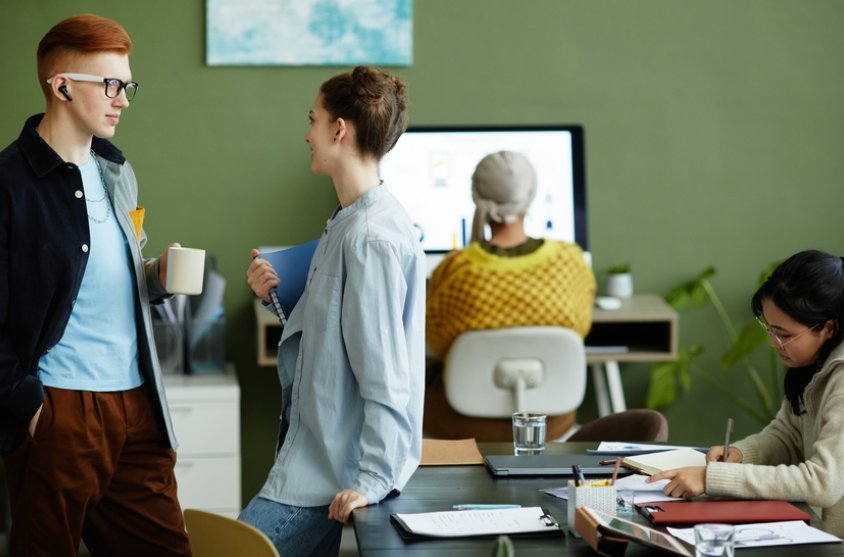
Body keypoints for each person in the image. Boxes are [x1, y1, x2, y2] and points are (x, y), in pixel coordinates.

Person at [0, 14, 191, 556]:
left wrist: (157, 279)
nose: (123, 99)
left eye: (127, 85)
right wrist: (33, 407)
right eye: (110, 84)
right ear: (60, 86)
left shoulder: (117, 173)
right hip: (60, 410)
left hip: (137, 404)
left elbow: (104, 286)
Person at [649, 250, 844, 557]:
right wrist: (742, 454)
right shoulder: (821, 361)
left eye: (783, 334)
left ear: (828, 327)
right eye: (770, 328)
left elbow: (822, 482)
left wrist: (710, 478)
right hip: (839, 539)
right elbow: (788, 434)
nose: (773, 342)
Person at [242, 66, 425, 556]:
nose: (307, 133)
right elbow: (337, 335)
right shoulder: (348, 220)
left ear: (339, 129)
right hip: (312, 457)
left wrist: (373, 478)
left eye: (313, 119)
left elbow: (385, 371)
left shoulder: (370, 237)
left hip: (326, 473)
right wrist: (275, 295)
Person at [423, 150, 596, 441]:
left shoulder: (458, 269)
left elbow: (435, 341)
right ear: (530, 195)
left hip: (460, 422)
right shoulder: (571, 262)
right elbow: (580, 327)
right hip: (550, 423)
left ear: (476, 195)